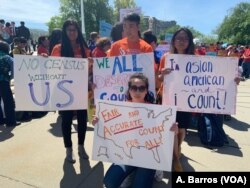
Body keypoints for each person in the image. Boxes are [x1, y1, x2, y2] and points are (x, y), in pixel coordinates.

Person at [92, 73, 178, 188]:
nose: (137, 91)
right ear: (129, 90)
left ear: (146, 90)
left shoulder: (156, 112)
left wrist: (174, 132)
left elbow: (167, 141)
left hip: (148, 158)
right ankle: (132, 173)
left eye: (141, 88)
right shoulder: (118, 110)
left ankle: (152, 171)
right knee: (109, 182)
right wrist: (98, 124)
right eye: (134, 88)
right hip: (127, 156)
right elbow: (109, 135)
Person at [51, 19, 90, 163]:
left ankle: (81, 146)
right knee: (66, 121)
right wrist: (44, 61)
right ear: (65, 32)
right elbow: (52, 69)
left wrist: (91, 65)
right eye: (69, 30)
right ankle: (69, 149)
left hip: (80, 90)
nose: (72, 32)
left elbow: (89, 71)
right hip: (63, 91)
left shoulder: (84, 49)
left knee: (82, 120)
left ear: (78, 31)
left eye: (74, 29)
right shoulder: (58, 49)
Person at [158, 28, 195, 172]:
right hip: (168, 98)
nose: (181, 41)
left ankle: (178, 147)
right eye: (178, 38)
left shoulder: (195, 58)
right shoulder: (166, 57)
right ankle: (176, 158)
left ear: (189, 42)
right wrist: (162, 74)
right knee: (172, 128)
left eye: (185, 38)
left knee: (182, 128)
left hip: (186, 100)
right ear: (173, 40)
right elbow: (159, 79)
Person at [0, 40, 21, 127]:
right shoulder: (6, 57)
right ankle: (11, 121)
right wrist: (12, 76)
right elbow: (14, 64)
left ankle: (0, 120)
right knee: (8, 101)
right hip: (3, 81)